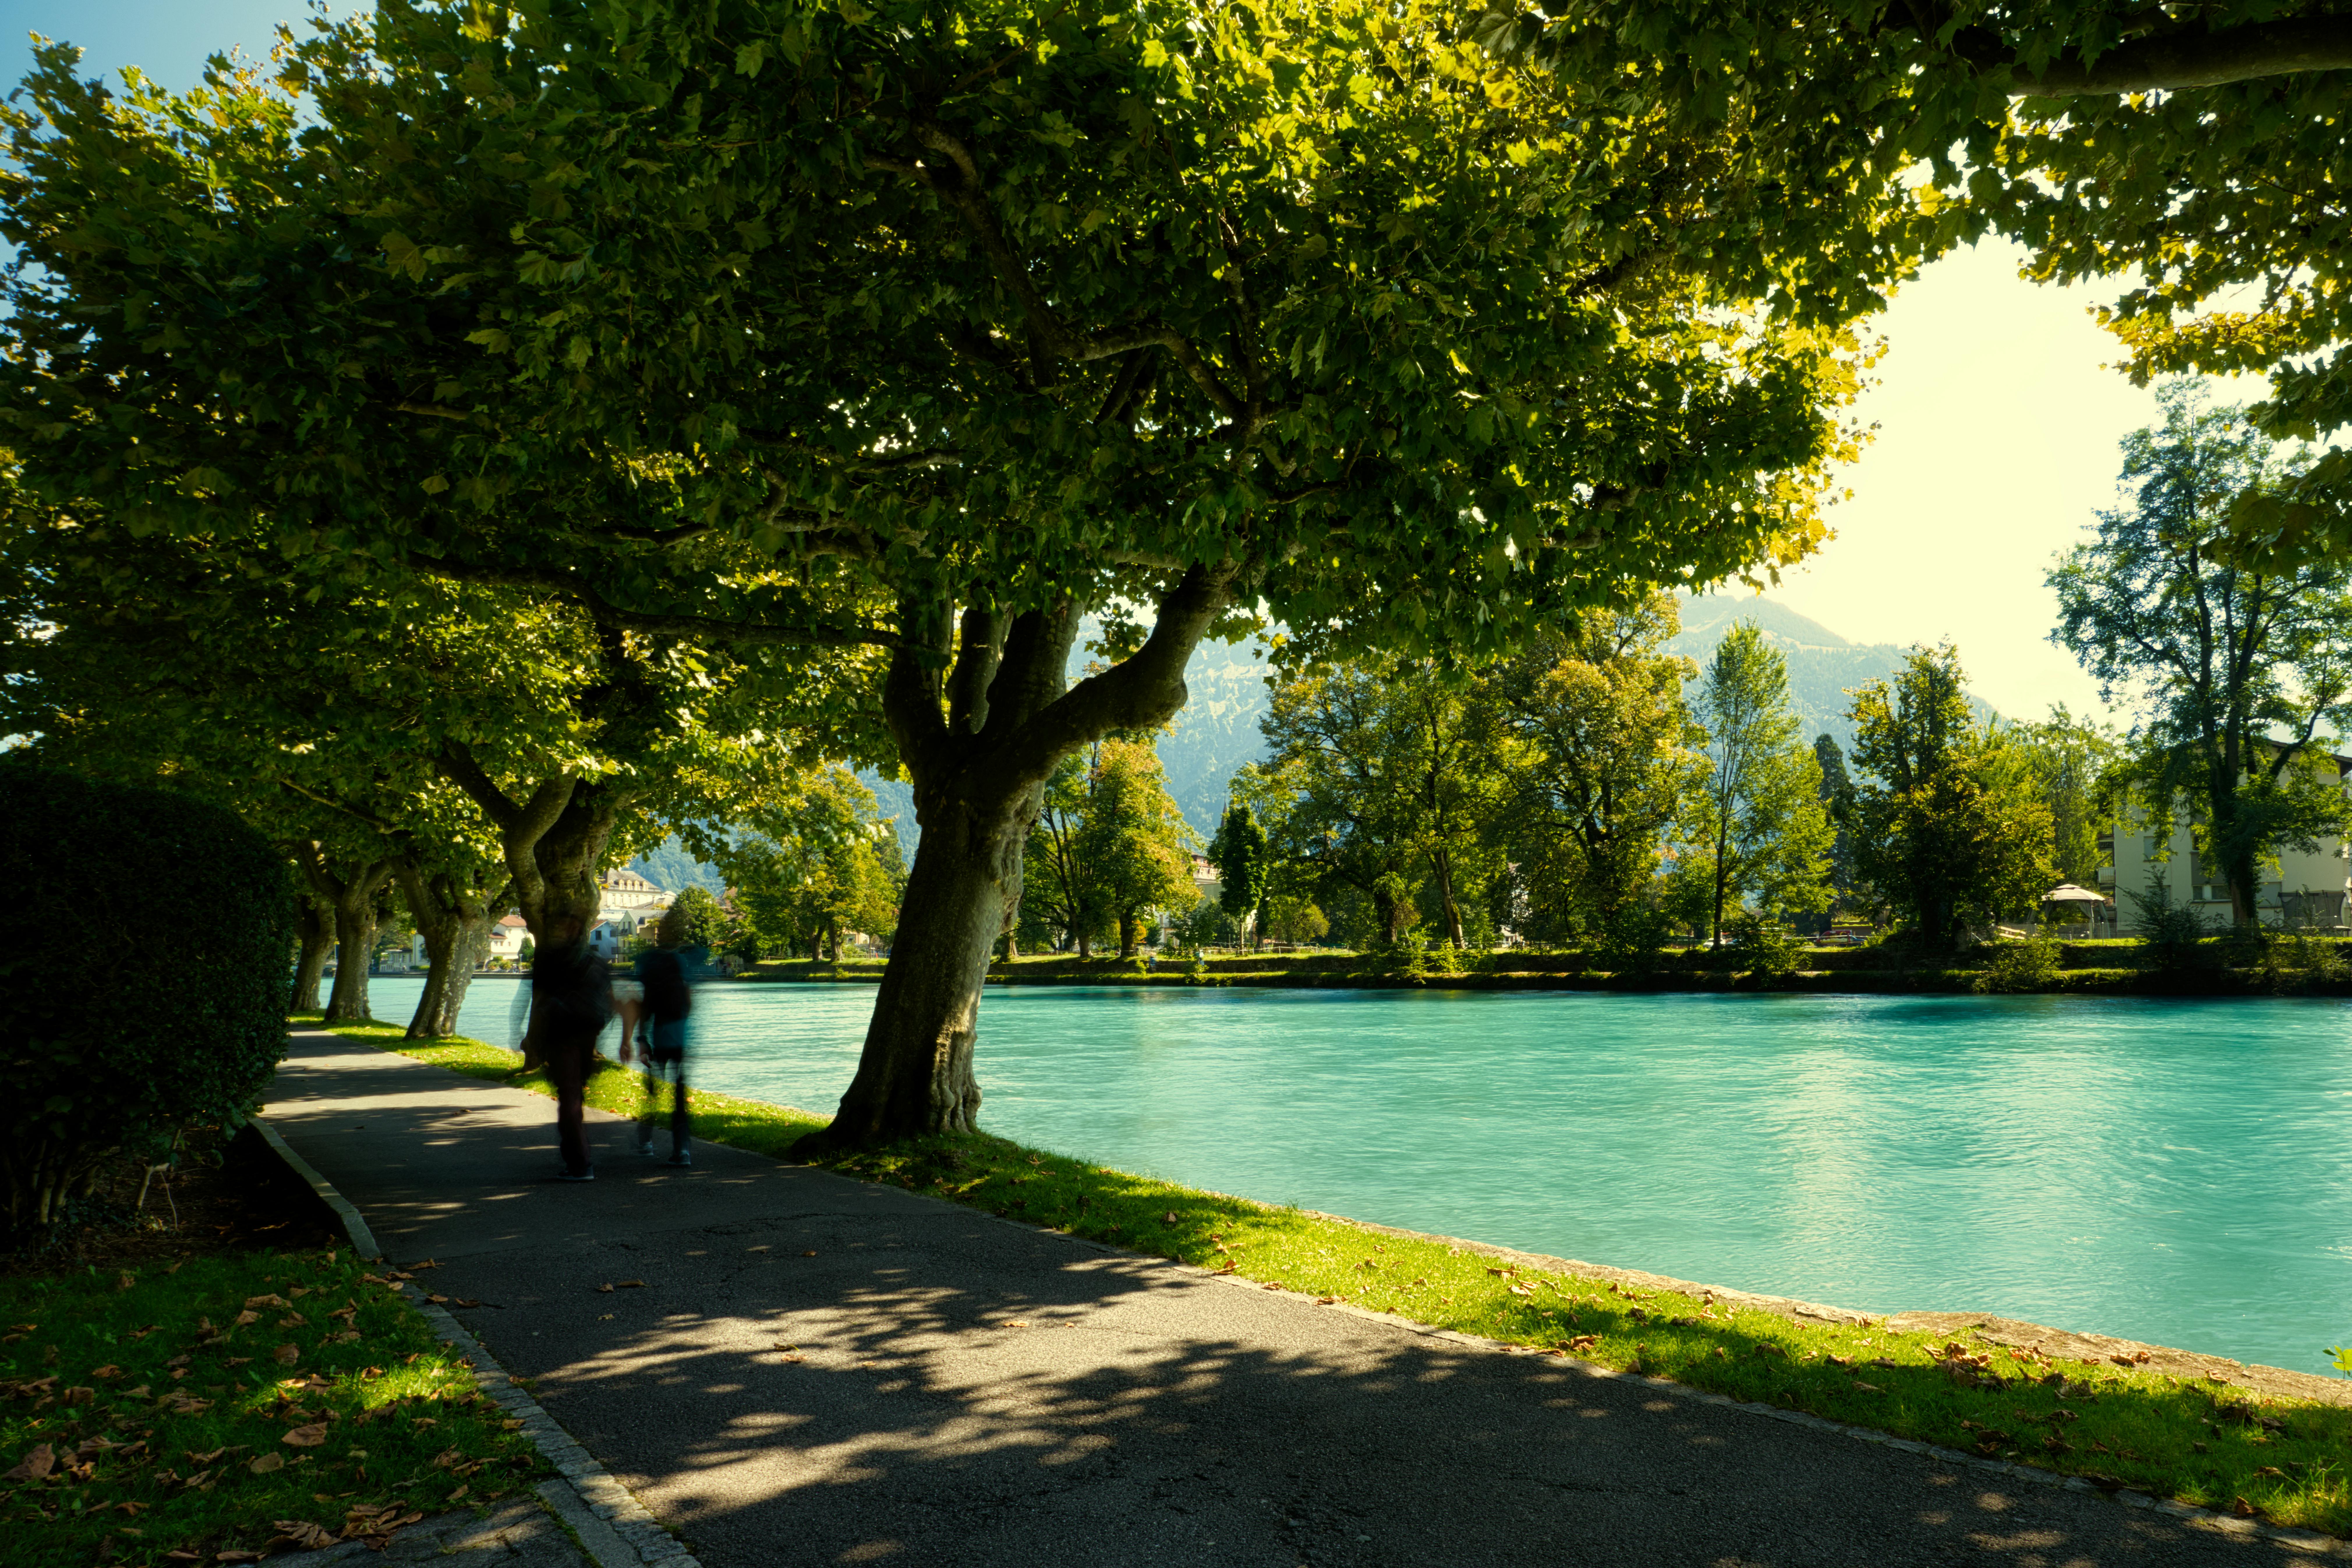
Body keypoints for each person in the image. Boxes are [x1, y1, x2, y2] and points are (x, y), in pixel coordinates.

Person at [531, 913, 613, 1181]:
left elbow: (536, 999)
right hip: (587, 1036)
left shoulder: (549, 960)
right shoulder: (597, 962)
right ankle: (577, 1158)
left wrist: (530, 1036)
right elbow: (610, 1001)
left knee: (569, 1097)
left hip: (561, 1036)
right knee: (574, 1095)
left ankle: (580, 1164)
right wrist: (599, 1029)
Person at [628, 905, 696, 1166]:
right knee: (679, 1098)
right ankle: (683, 1152)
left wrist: (641, 1038)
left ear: (658, 933)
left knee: (653, 1092)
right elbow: (689, 1001)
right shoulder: (682, 962)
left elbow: (643, 1006)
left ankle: (645, 1142)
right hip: (680, 1038)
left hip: (658, 1037)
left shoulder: (649, 961)